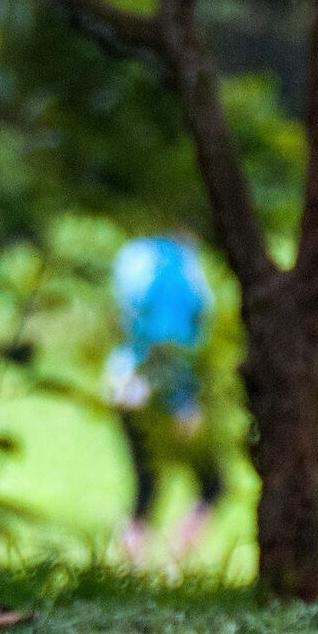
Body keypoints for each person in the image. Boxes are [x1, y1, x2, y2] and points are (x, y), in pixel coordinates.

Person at [106, 231, 223, 567]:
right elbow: (169, 335)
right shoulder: (178, 263)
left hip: (123, 380)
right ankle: (174, 563)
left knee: (146, 482)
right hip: (165, 389)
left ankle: (132, 566)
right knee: (212, 484)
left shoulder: (133, 253)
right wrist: (183, 399)